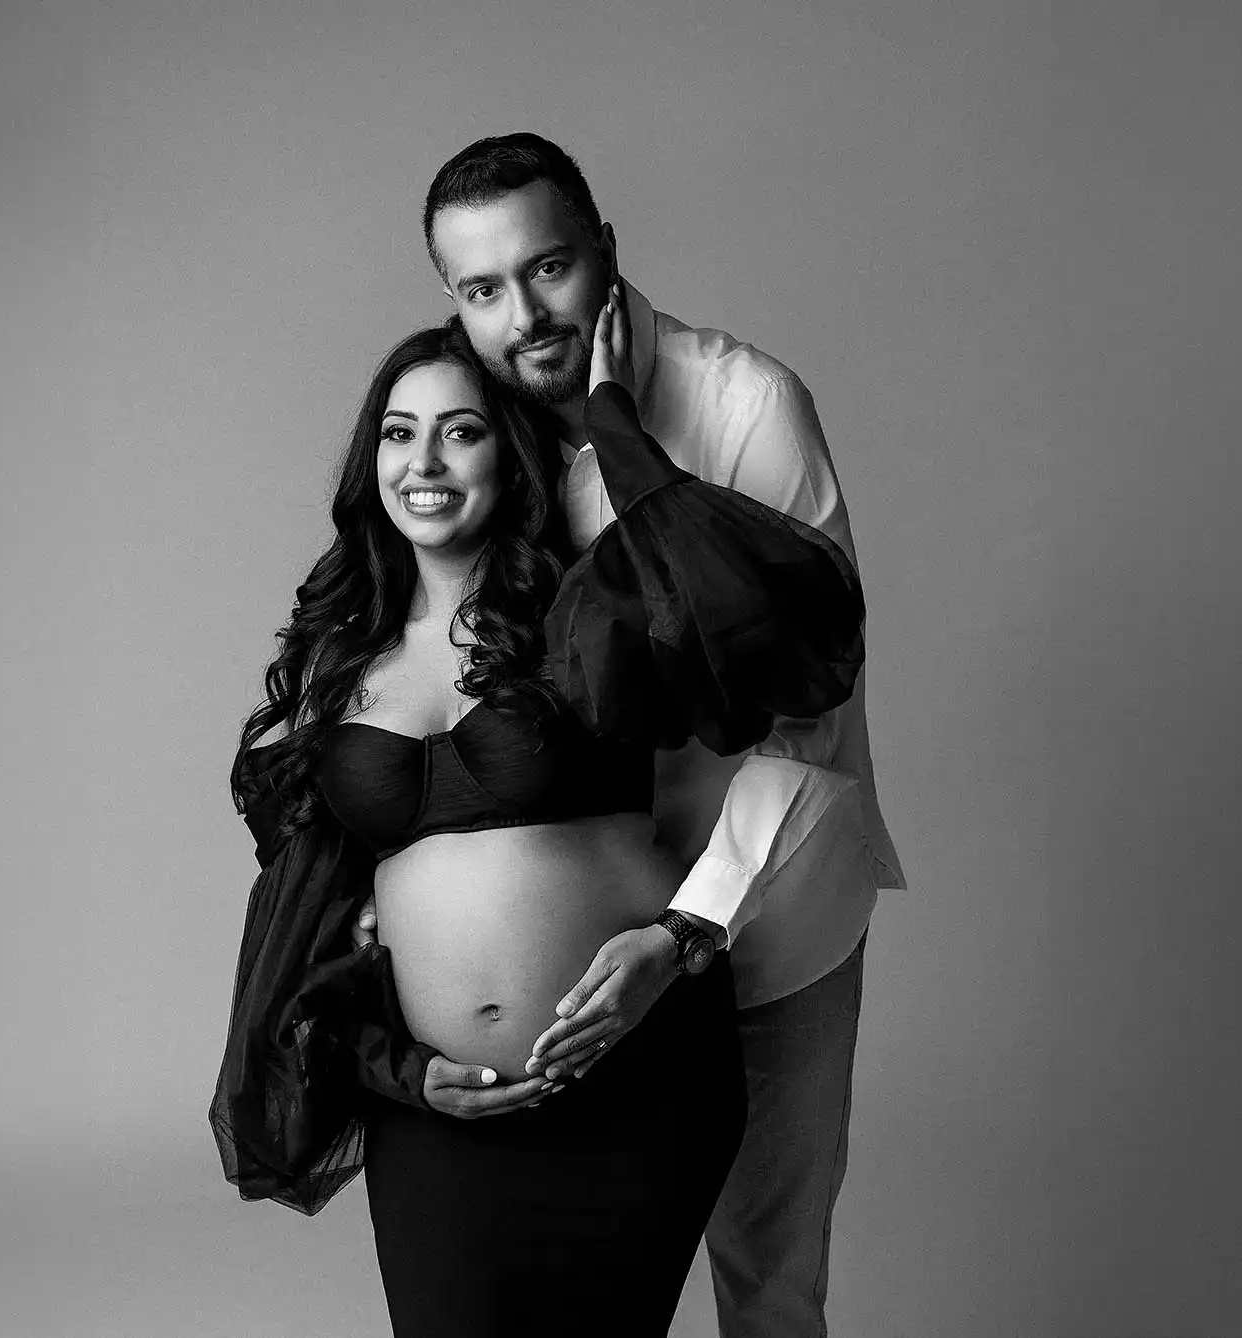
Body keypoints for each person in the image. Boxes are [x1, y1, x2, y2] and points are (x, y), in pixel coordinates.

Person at [211, 296, 866, 1337]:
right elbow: (316, 930)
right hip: (438, 1111)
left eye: (460, 430)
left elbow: (778, 628)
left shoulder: (592, 609)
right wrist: (400, 1068)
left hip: (634, 1081)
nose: (424, 461)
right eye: (398, 433)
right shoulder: (339, 661)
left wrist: (613, 427)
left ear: (509, 459)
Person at [355, 133, 908, 1337]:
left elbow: (801, 713)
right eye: (481, 289)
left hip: (765, 924)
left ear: (604, 250)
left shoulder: (745, 406)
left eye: (547, 268)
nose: (522, 314)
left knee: (766, 1276)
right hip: (587, 973)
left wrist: (686, 929)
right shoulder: (484, 437)